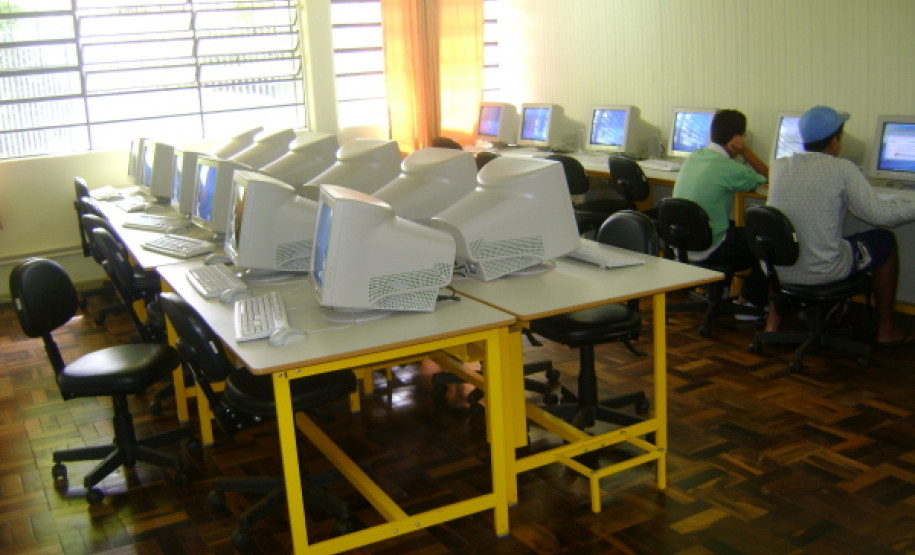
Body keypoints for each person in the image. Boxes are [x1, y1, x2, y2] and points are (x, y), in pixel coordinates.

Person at [765, 105, 915, 345]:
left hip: (779, 271)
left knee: (800, 239)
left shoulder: (779, 166)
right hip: (822, 270)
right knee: (884, 240)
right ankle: (886, 330)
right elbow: (880, 216)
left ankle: (772, 325)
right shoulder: (842, 168)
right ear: (835, 141)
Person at [672, 109, 769, 314]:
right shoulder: (729, 168)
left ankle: (722, 291)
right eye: (743, 136)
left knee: (737, 228)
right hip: (708, 247)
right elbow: (769, 176)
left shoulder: (694, 157)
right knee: (764, 238)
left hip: (681, 244)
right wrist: (746, 151)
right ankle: (751, 303)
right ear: (735, 139)